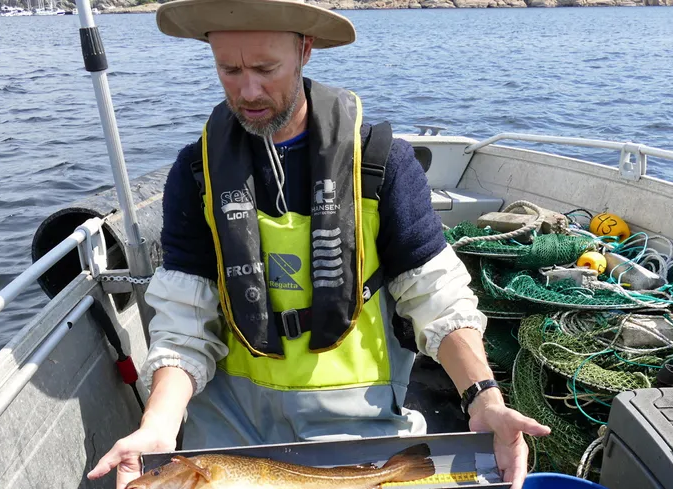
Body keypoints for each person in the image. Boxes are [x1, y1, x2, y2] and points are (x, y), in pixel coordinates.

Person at [88, 1, 551, 488]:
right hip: (228, 433)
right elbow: (184, 322)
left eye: (266, 68)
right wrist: (158, 428)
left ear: (305, 50)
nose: (248, 90)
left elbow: (437, 297)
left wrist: (485, 399)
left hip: (359, 433)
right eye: (229, 69)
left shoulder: (380, 163)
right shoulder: (195, 172)